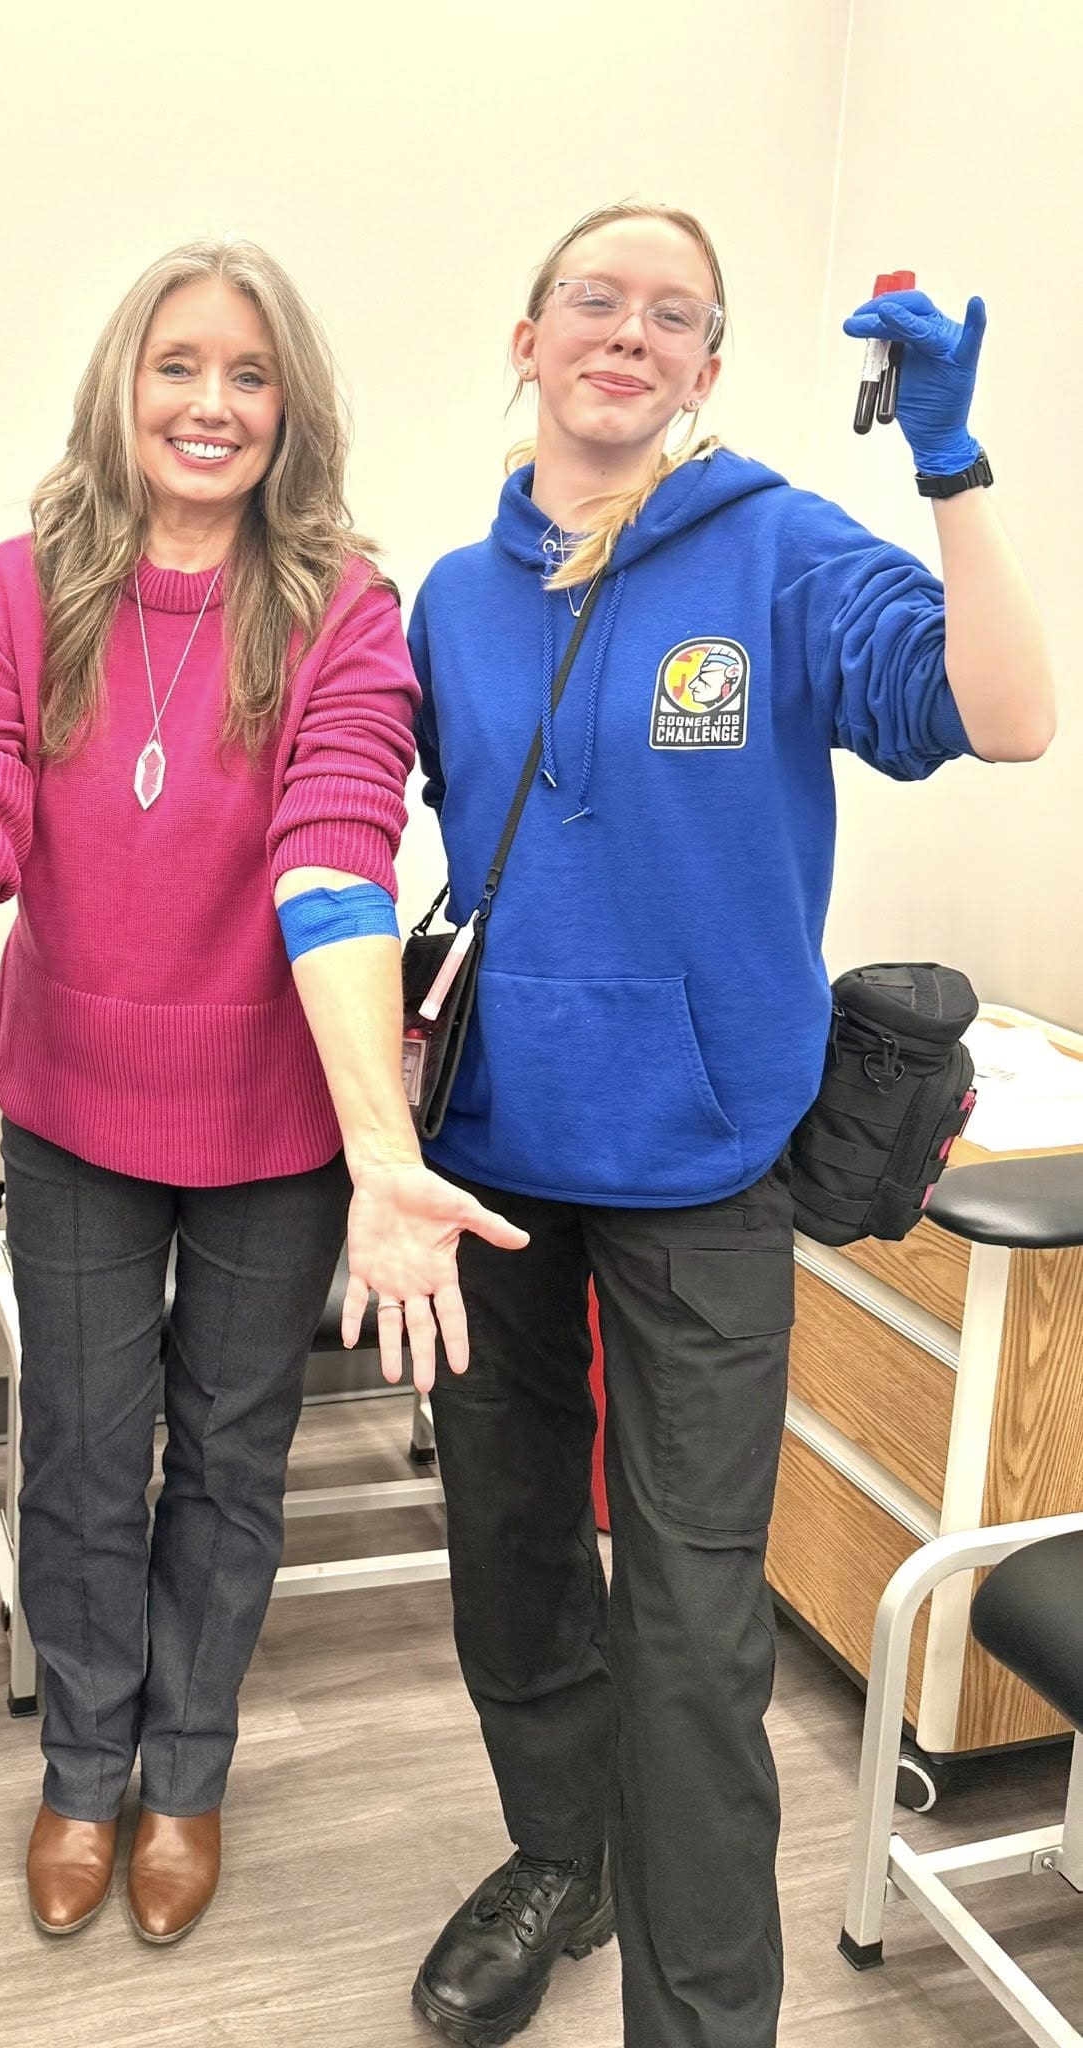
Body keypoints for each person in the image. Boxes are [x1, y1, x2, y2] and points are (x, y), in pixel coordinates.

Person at [0, 237, 524, 1949]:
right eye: (177, 365)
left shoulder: (343, 606)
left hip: (275, 1127)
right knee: (77, 1455)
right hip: (72, 1113)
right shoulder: (21, 591)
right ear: (121, 387)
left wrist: (379, 1145)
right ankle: (81, 1764)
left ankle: (185, 1770)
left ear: (292, 410)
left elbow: (337, 854)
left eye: (250, 375)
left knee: (233, 1460)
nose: (211, 402)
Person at [404, 201, 1053, 2048]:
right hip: (493, 1161)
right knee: (512, 1561)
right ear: (527, 339)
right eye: (594, 300)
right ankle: (561, 1855)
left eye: (673, 315)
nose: (630, 332)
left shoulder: (778, 552)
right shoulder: (451, 597)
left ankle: (702, 2021)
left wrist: (953, 465)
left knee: (693, 1632)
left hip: (704, 1169)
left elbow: (1009, 717)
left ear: (708, 366)